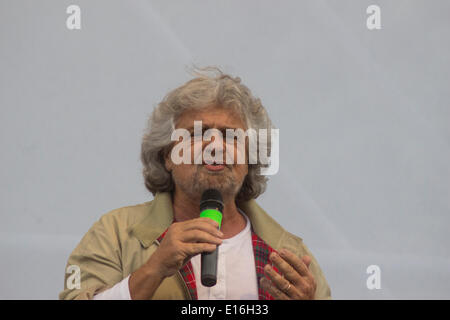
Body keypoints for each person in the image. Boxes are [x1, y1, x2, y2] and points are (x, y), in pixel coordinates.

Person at [59, 67, 331, 300]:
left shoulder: (289, 254)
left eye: (230, 136)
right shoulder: (116, 233)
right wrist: (152, 270)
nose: (215, 145)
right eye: (196, 134)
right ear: (167, 155)